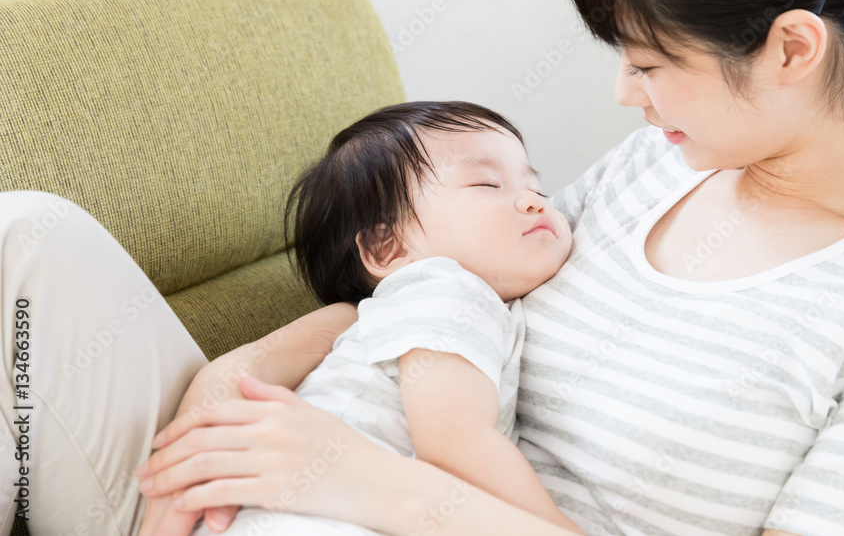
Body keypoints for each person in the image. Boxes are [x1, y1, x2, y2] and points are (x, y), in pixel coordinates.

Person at [5, 0, 844, 534]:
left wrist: (366, 482)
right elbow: (444, 291)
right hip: (302, 486)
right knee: (27, 239)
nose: (625, 93)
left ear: (790, 47)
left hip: (354, 495)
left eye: (650, 61)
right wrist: (242, 371)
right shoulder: (658, 165)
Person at [186, 101, 581, 535]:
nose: (532, 202)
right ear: (387, 248)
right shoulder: (449, 288)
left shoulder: (388, 314)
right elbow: (454, 441)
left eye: (537, 188)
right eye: (488, 184)